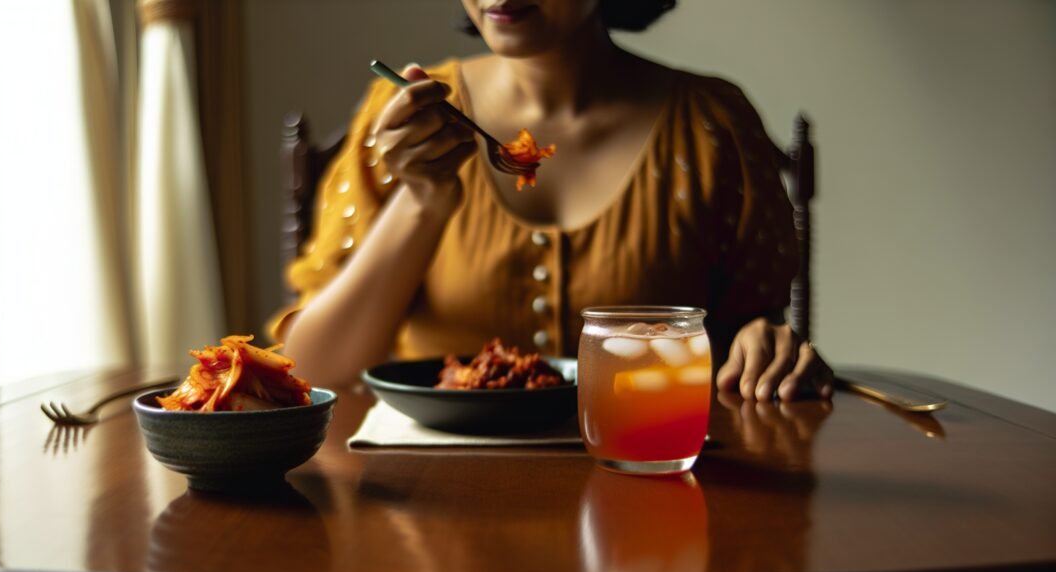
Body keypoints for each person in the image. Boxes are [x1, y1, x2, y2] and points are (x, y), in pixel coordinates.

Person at [270, 0, 833, 402]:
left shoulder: (713, 127)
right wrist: (422, 203)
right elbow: (316, 370)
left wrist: (767, 343)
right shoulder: (403, 127)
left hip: (651, 494)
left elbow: (751, 337)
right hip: (431, 508)